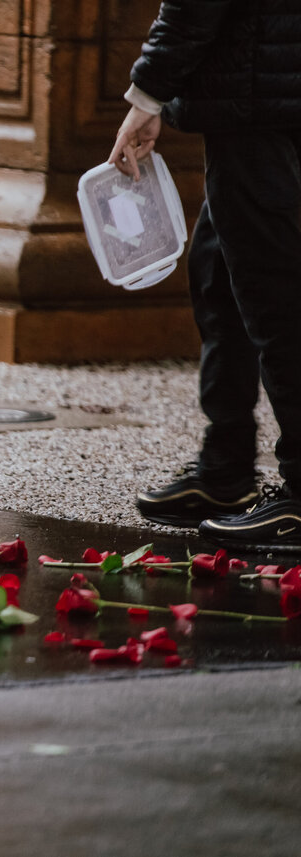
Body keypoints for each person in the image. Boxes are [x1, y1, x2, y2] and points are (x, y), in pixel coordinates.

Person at [113, 1, 301, 550]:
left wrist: (146, 96)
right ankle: (226, 469)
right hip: (261, 90)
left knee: (274, 294)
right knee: (219, 277)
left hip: (258, 100)